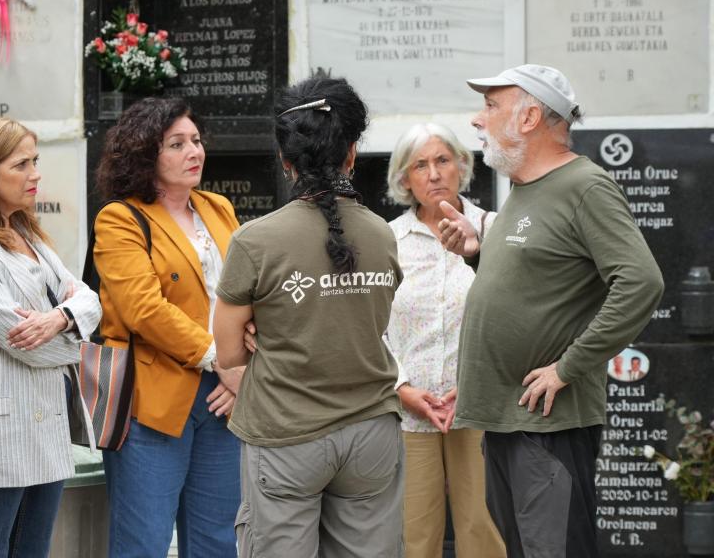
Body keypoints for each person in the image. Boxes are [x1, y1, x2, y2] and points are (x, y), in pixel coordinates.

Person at [438, 64, 664, 557]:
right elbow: (534, 285)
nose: (477, 119)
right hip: (507, 420)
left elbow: (641, 282)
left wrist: (567, 367)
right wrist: (476, 254)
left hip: (547, 429)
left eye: (491, 106)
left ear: (530, 117)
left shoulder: (585, 186)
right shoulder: (524, 189)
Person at [214, 76, 404, 557]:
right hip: (371, 432)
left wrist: (266, 331)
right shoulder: (383, 234)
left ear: (286, 158)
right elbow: (368, 322)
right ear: (352, 153)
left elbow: (229, 353)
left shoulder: (255, 241)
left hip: (286, 433)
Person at [0, 118, 102, 557]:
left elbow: (91, 299)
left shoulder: (30, 234)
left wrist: (60, 318)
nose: (35, 174)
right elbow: (20, 340)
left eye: (35, 161)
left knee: (33, 550)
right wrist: (74, 334)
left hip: (46, 423)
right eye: (21, 165)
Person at [92, 97, 242, 557]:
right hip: (151, 401)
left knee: (218, 541)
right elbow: (143, 309)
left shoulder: (218, 208)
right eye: (176, 144)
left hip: (225, 397)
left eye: (196, 140)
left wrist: (242, 369)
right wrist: (221, 358)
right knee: (144, 543)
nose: (194, 151)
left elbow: (250, 295)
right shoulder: (120, 218)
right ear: (145, 155)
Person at [385, 123, 505, 558]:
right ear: (405, 179)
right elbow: (372, 326)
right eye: (420, 165)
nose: (434, 174)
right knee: (415, 535)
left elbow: (508, 317)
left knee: (483, 529)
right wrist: (401, 388)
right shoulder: (387, 241)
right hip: (409, 412)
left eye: (442, 160)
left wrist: (474, 383)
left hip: (478, 408)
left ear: (462, 165)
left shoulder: (494, 230)